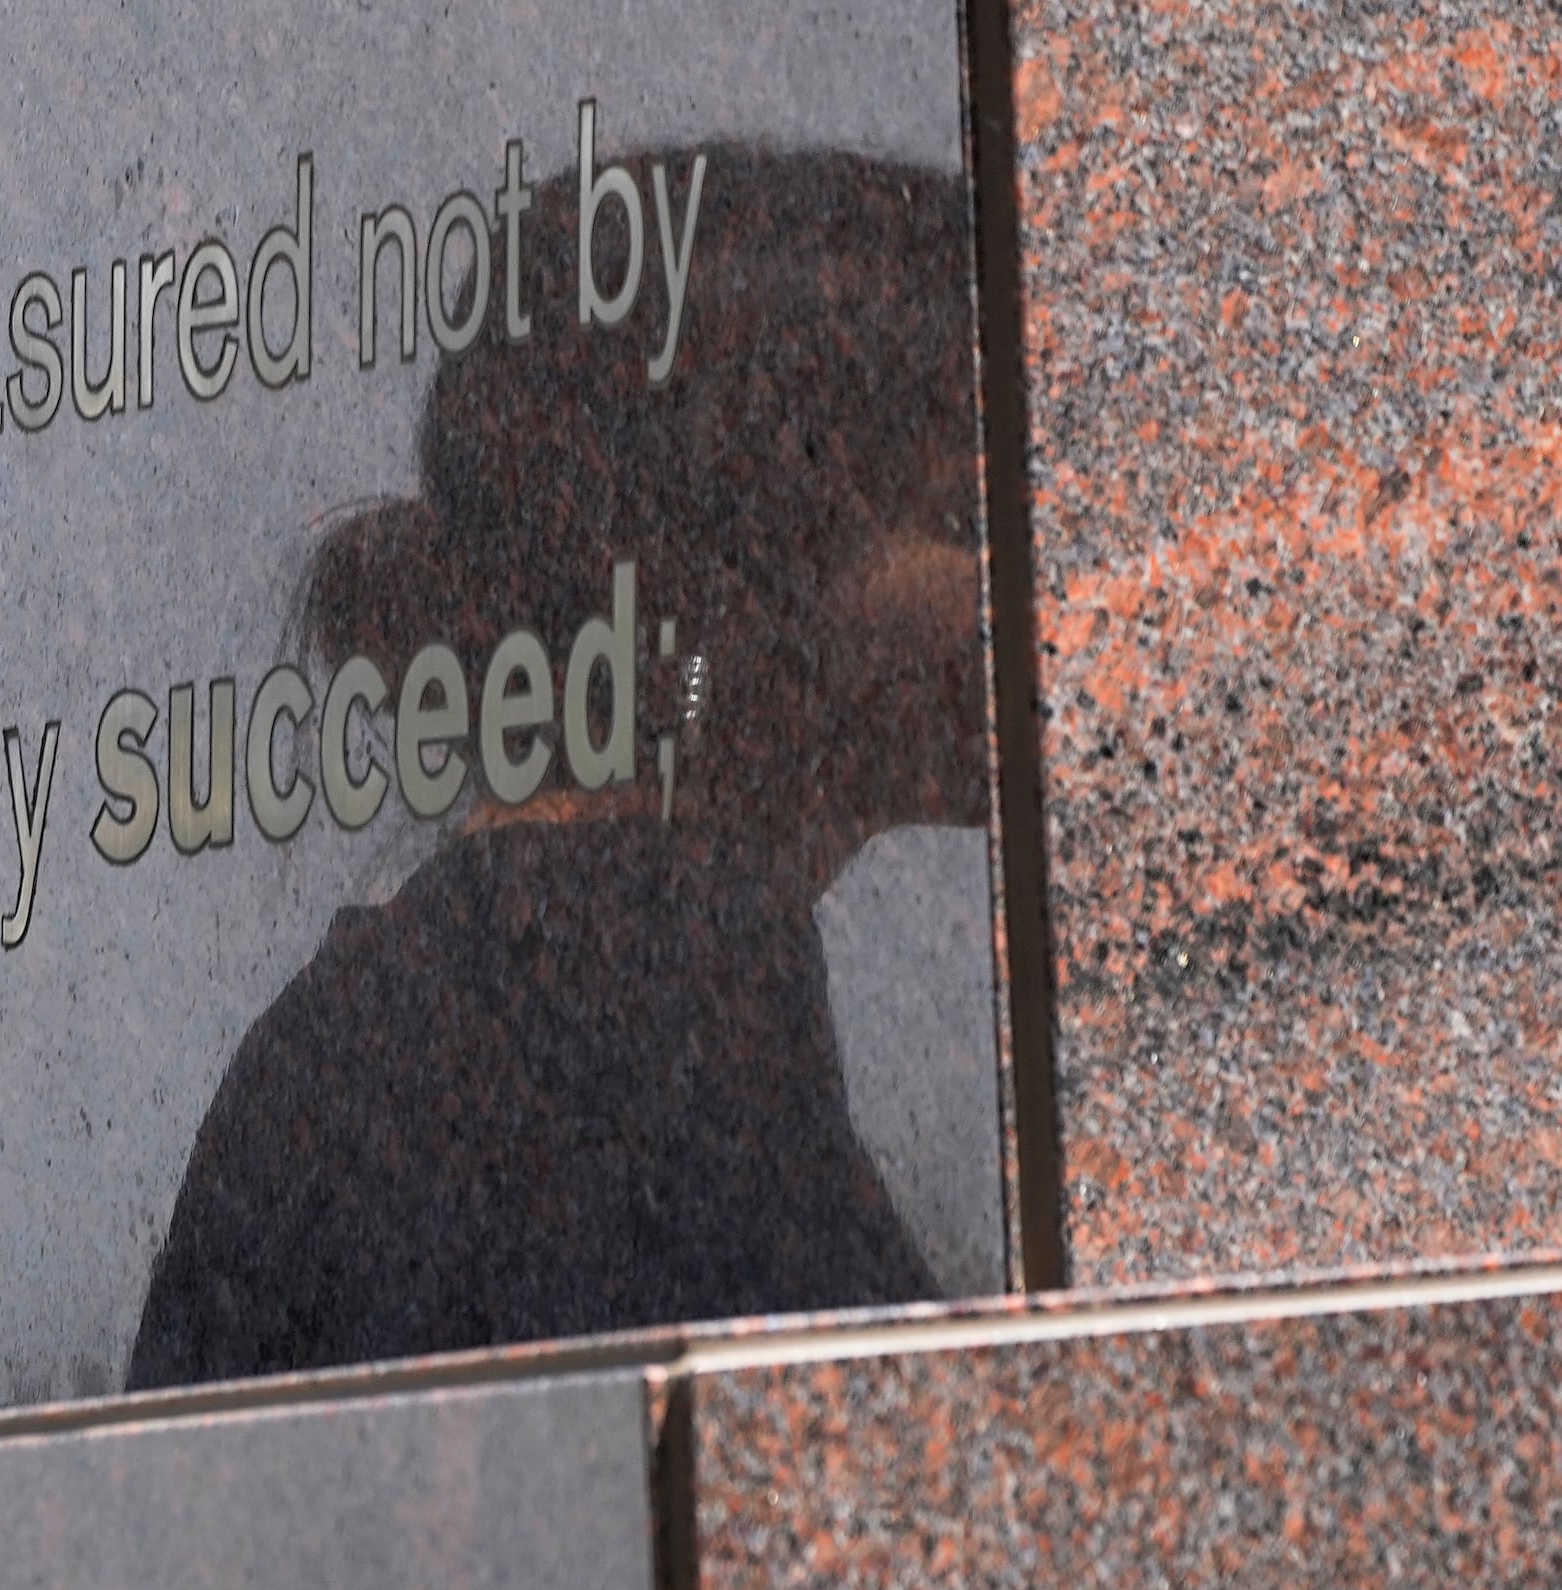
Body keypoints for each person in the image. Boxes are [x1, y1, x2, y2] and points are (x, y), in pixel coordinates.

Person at [127, 147, 990, 1389]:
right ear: (756, 566)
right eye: (966, 512)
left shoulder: (422, 1015)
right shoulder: (647, 1006)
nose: (1059, 564)